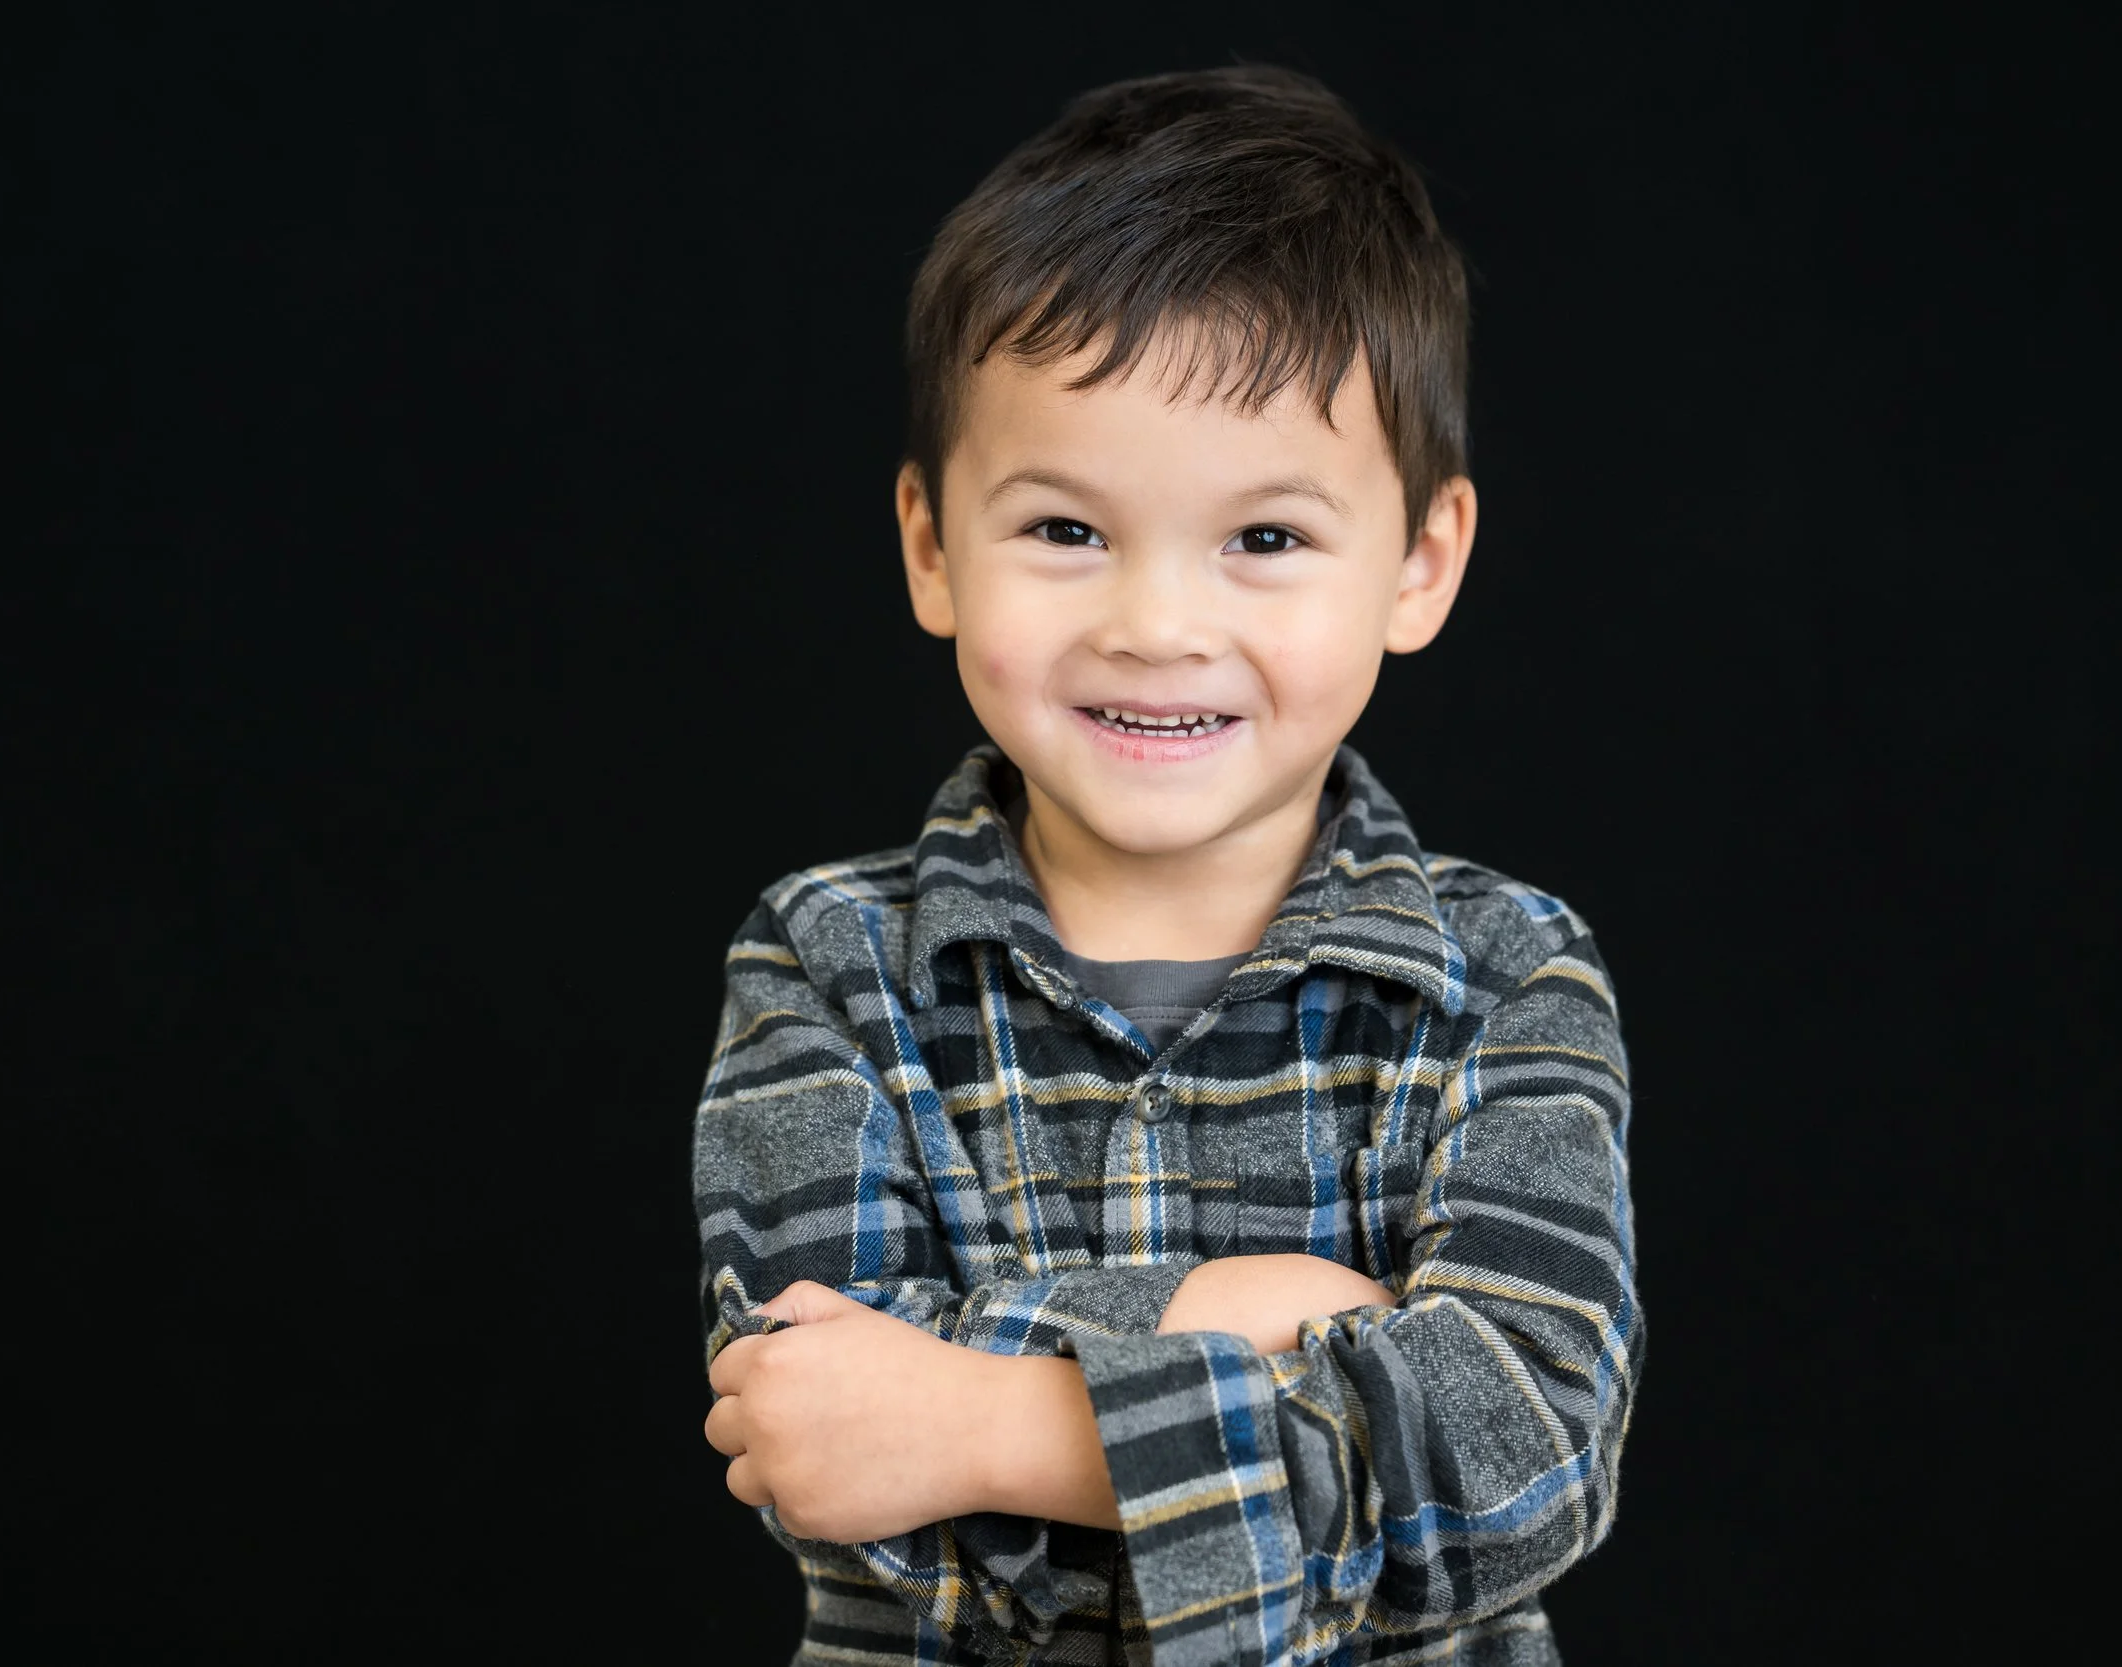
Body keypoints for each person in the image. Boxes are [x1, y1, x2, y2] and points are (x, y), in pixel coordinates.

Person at [694, 64, 1641, 1667]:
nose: (1154, 624)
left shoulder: (1512, 974)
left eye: (1263, 538)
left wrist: (991, 1424)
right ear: (932, 544)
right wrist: (1274, 1317)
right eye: (1066, 529)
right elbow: (818, 1442)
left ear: (1421, 561)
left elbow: (1517, 1457)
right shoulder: (825, 960)